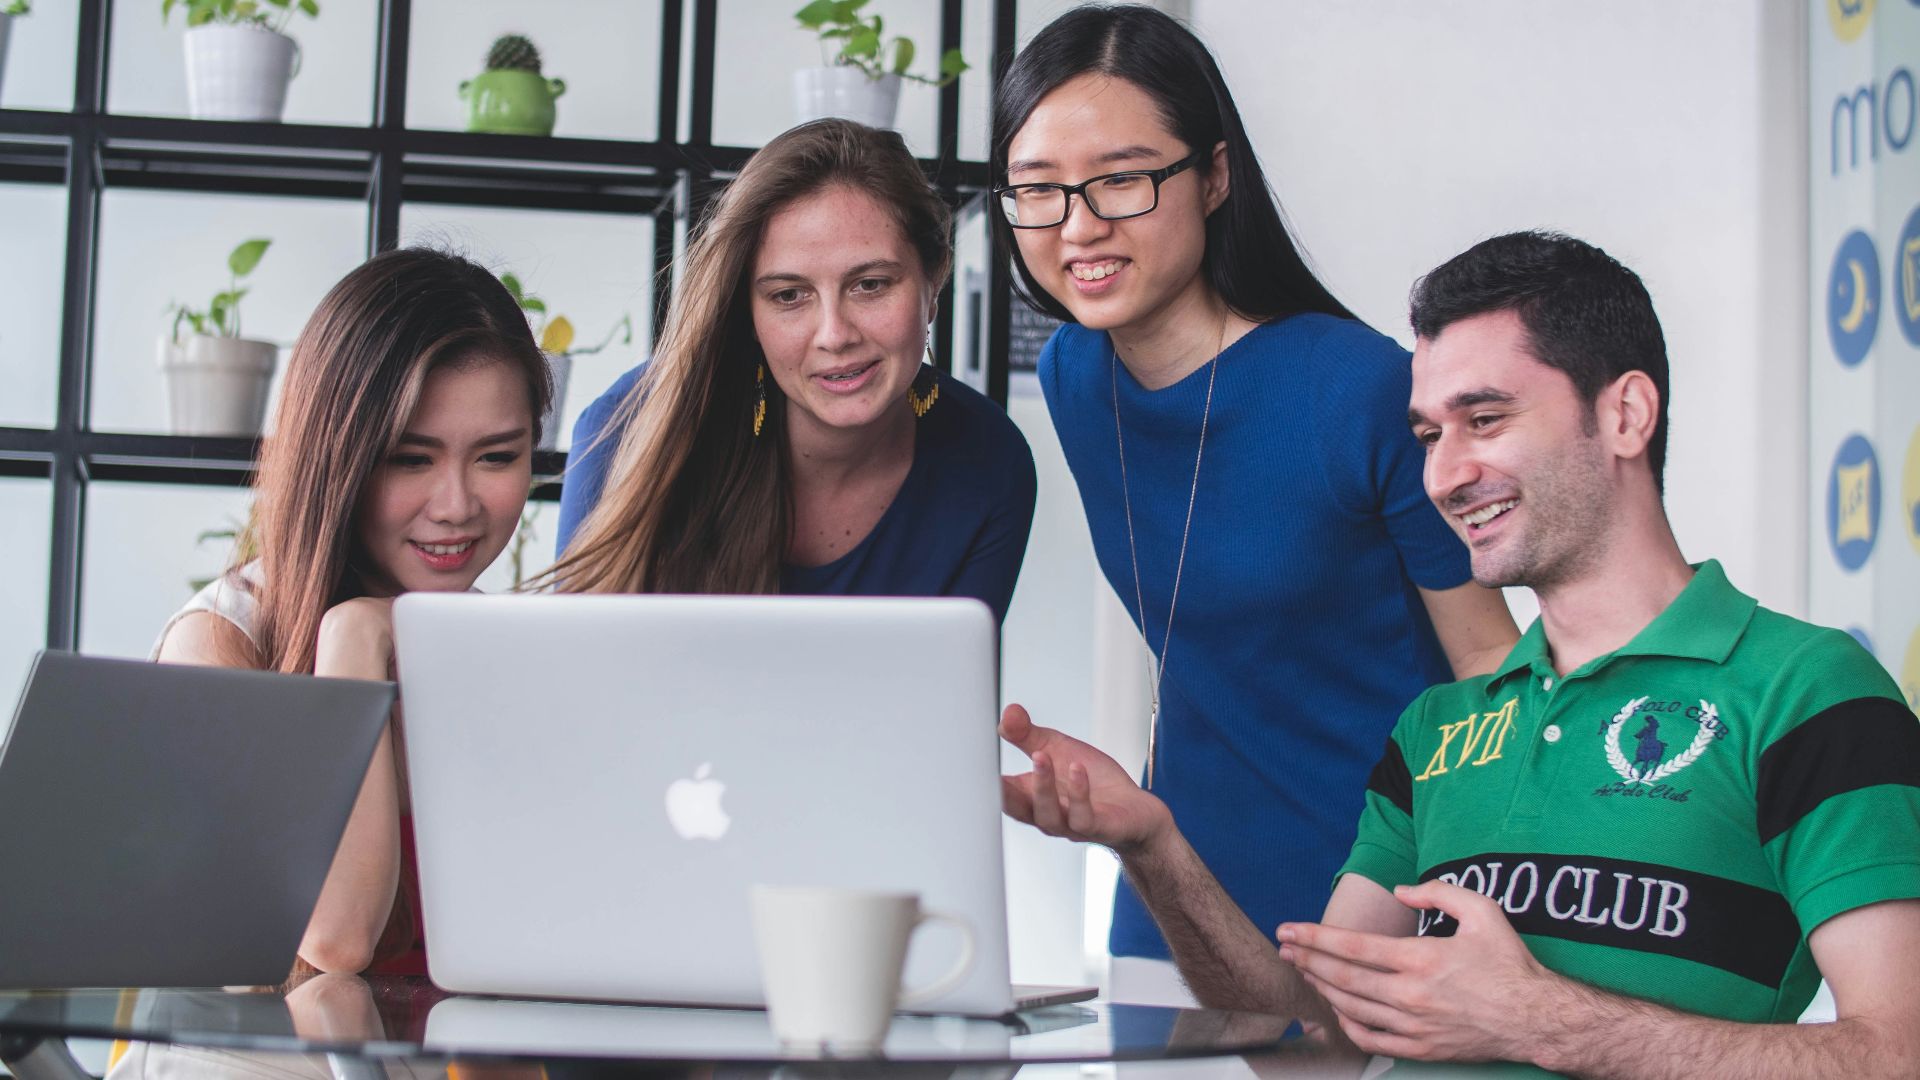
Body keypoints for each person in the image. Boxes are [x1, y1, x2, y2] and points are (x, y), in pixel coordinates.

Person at [1001, 231, 1920, 1075]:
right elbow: (1315, 1048)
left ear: (1627, 415)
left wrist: (1535, 1020)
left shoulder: (1809, 692)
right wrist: (1153, 843)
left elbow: (1898, 1051)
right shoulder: (1437, 728)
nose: (1444, 473)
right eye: (1430, 435)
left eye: (1485, 420)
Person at [989, 4, 1518, 996]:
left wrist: (1481, 904)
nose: (1079, 226)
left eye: (1123, 179)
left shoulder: (1357, 388)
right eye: (1039, 191)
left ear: (1216, 174)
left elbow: (1488, 664)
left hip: (1379, 904)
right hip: (1174, 900)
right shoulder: (1073, 375)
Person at [153, 248, 551, 975]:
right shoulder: (219, 641)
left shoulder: (499, 652)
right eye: (410, 458)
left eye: (497, 457)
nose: (457, 506)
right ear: (338, 457)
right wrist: (353, 641)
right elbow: (335, 938)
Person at [551, 119, 1036, 623]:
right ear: (748, 312)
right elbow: (580, 679)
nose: (834, 333)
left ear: (932, 282)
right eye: (789, 295)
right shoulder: (630, 427)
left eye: (870, 284)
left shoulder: (991, 463)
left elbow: (947, 693)